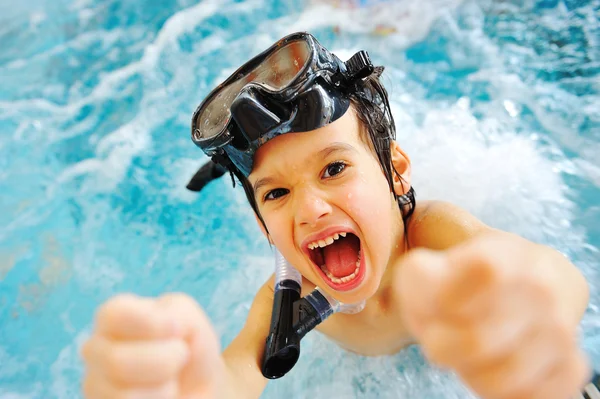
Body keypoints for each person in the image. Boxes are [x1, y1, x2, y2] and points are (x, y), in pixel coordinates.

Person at [81, 32, 596, 399]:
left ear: (395, 173)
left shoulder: (436, 236)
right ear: (264, 227)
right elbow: (237, 373)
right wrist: (186, 387)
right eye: (277, 193)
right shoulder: (289, 297)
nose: (309, 208)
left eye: (333, 168)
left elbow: (546, 272)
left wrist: (529, 306)